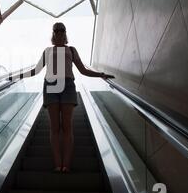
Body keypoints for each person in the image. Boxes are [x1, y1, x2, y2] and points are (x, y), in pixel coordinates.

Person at [10, 22, 114, 173]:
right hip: (51, 85)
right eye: (56, 30)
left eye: (62, 30)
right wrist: (16, 76)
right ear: (53, 33)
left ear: (65, 33)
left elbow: (83, 70)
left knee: (67, 126)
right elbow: (36, 70)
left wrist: (101, 75)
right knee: (54, 127)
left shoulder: (71, 49)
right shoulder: (47, 51)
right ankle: (57, 164)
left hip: (68, 85)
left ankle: (66, 165)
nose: (59, 32)